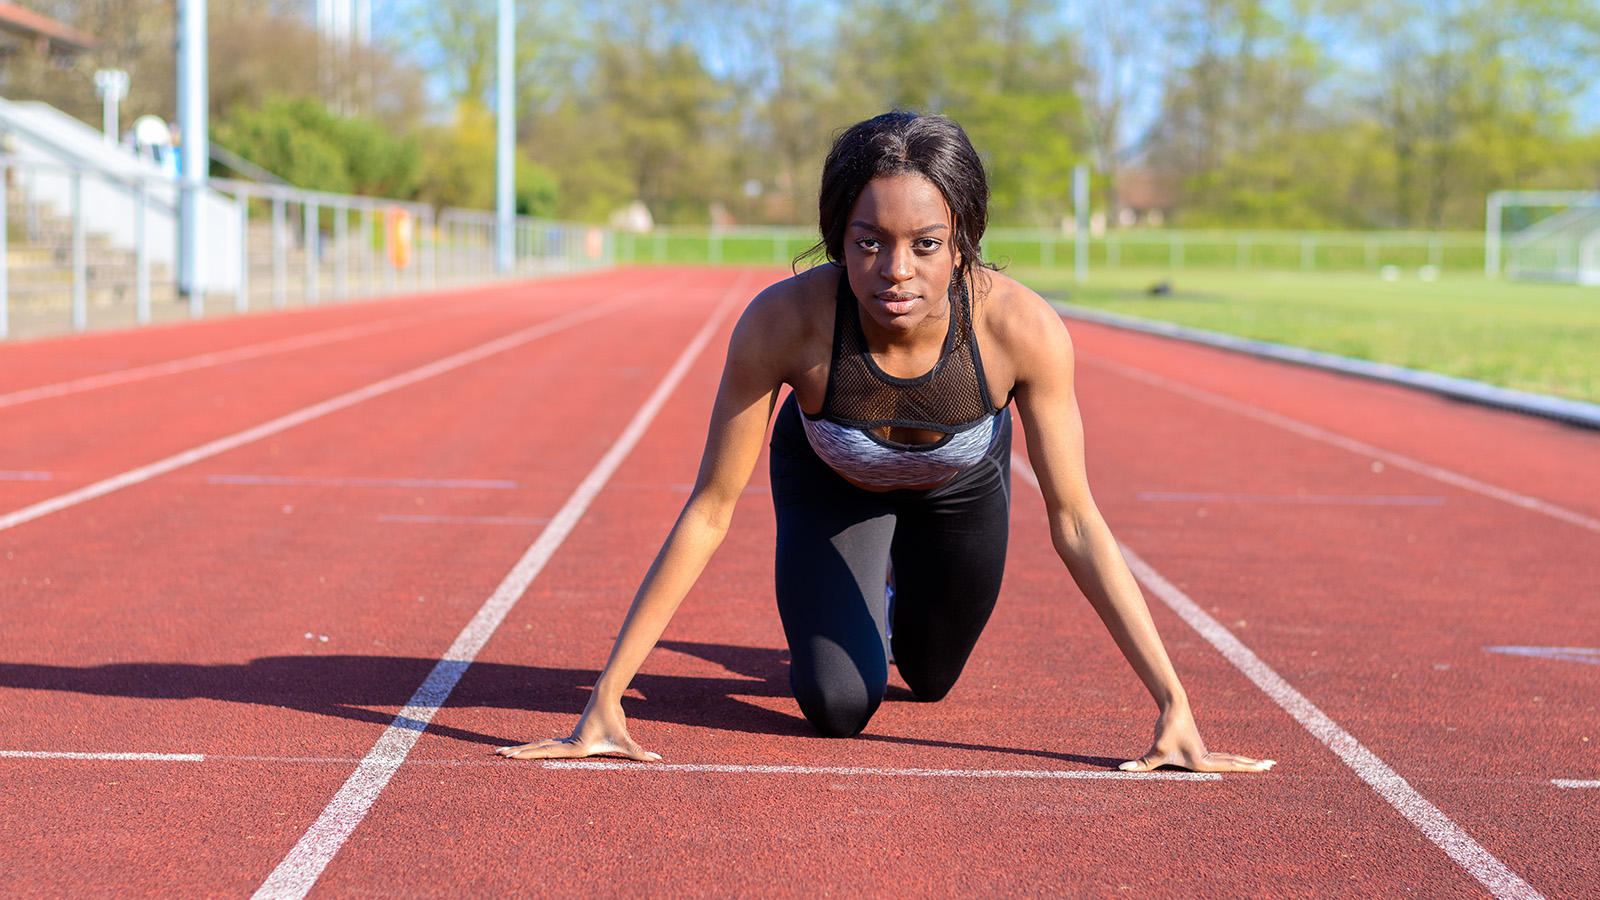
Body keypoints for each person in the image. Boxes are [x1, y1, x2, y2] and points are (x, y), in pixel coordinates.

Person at [499, 112, 1274, 773]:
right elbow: (710, 508)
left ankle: (897, 589)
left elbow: (1074, 521)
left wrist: (1174, 704)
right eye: (869, 242)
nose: (895, 271)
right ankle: (862, 583)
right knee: (838, 706)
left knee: (931, 678)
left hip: (961, 488)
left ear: (964, 240)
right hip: (833, 484)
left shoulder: (1020, 330)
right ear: (838, 235)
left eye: (926, 245)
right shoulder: (784, 324)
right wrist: (603, 697)